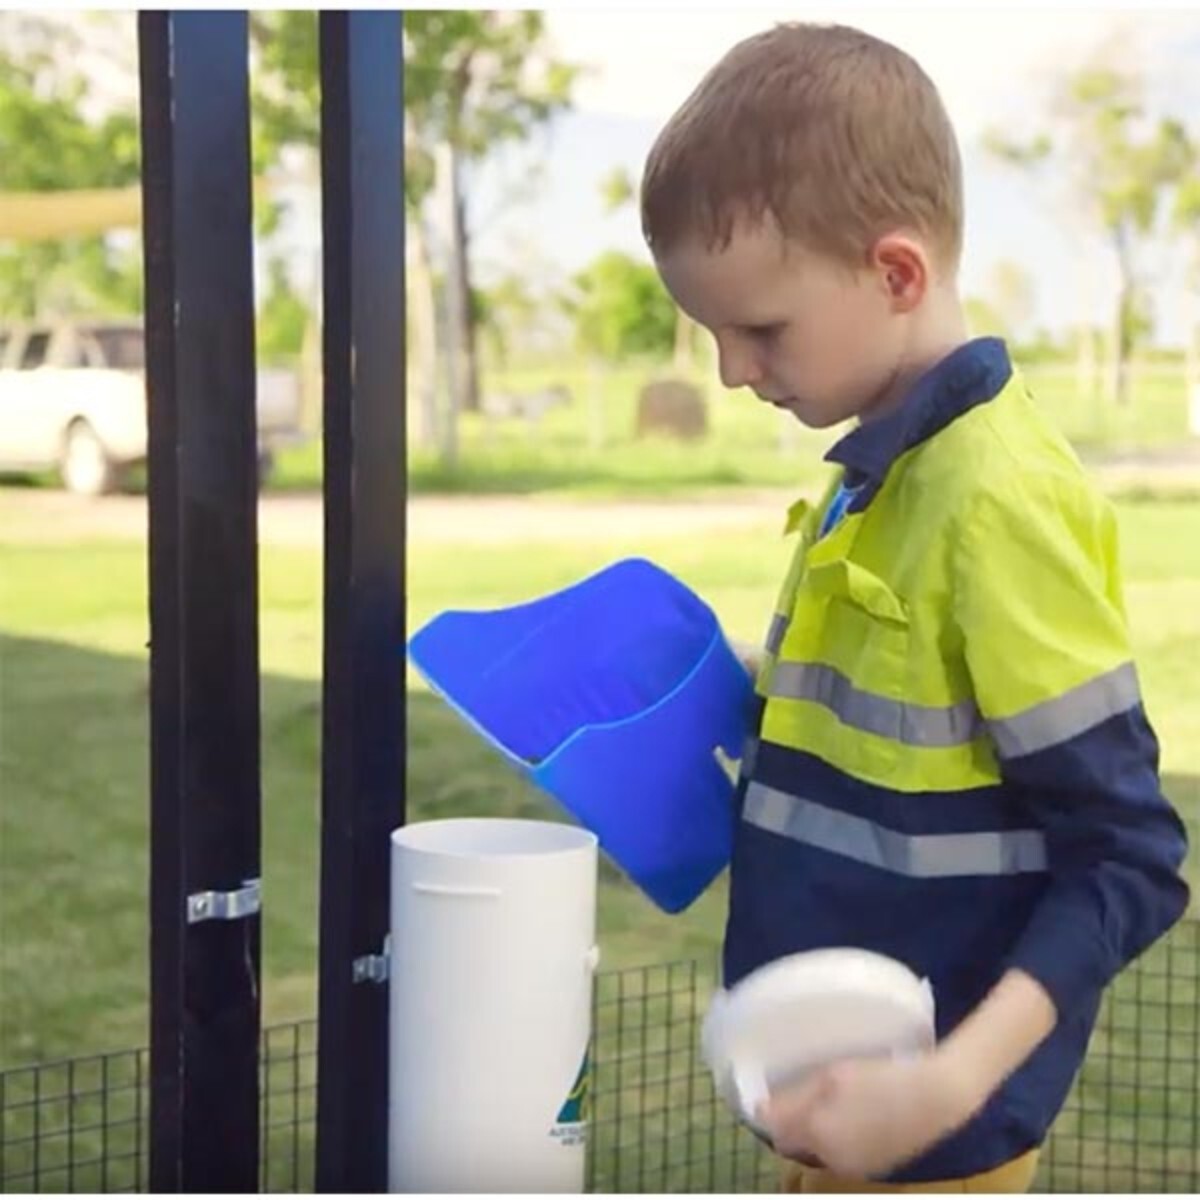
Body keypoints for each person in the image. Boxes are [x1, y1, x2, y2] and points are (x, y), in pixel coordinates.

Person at [639, 22, 1190, 1193]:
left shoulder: (997, 503)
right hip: (835, 1123)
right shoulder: (875, 471)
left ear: (895, 273)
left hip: (932, 1146)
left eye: (759, 329)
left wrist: (946, 1083)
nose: (734, 371)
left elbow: (1130, 860)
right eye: (713, 334)